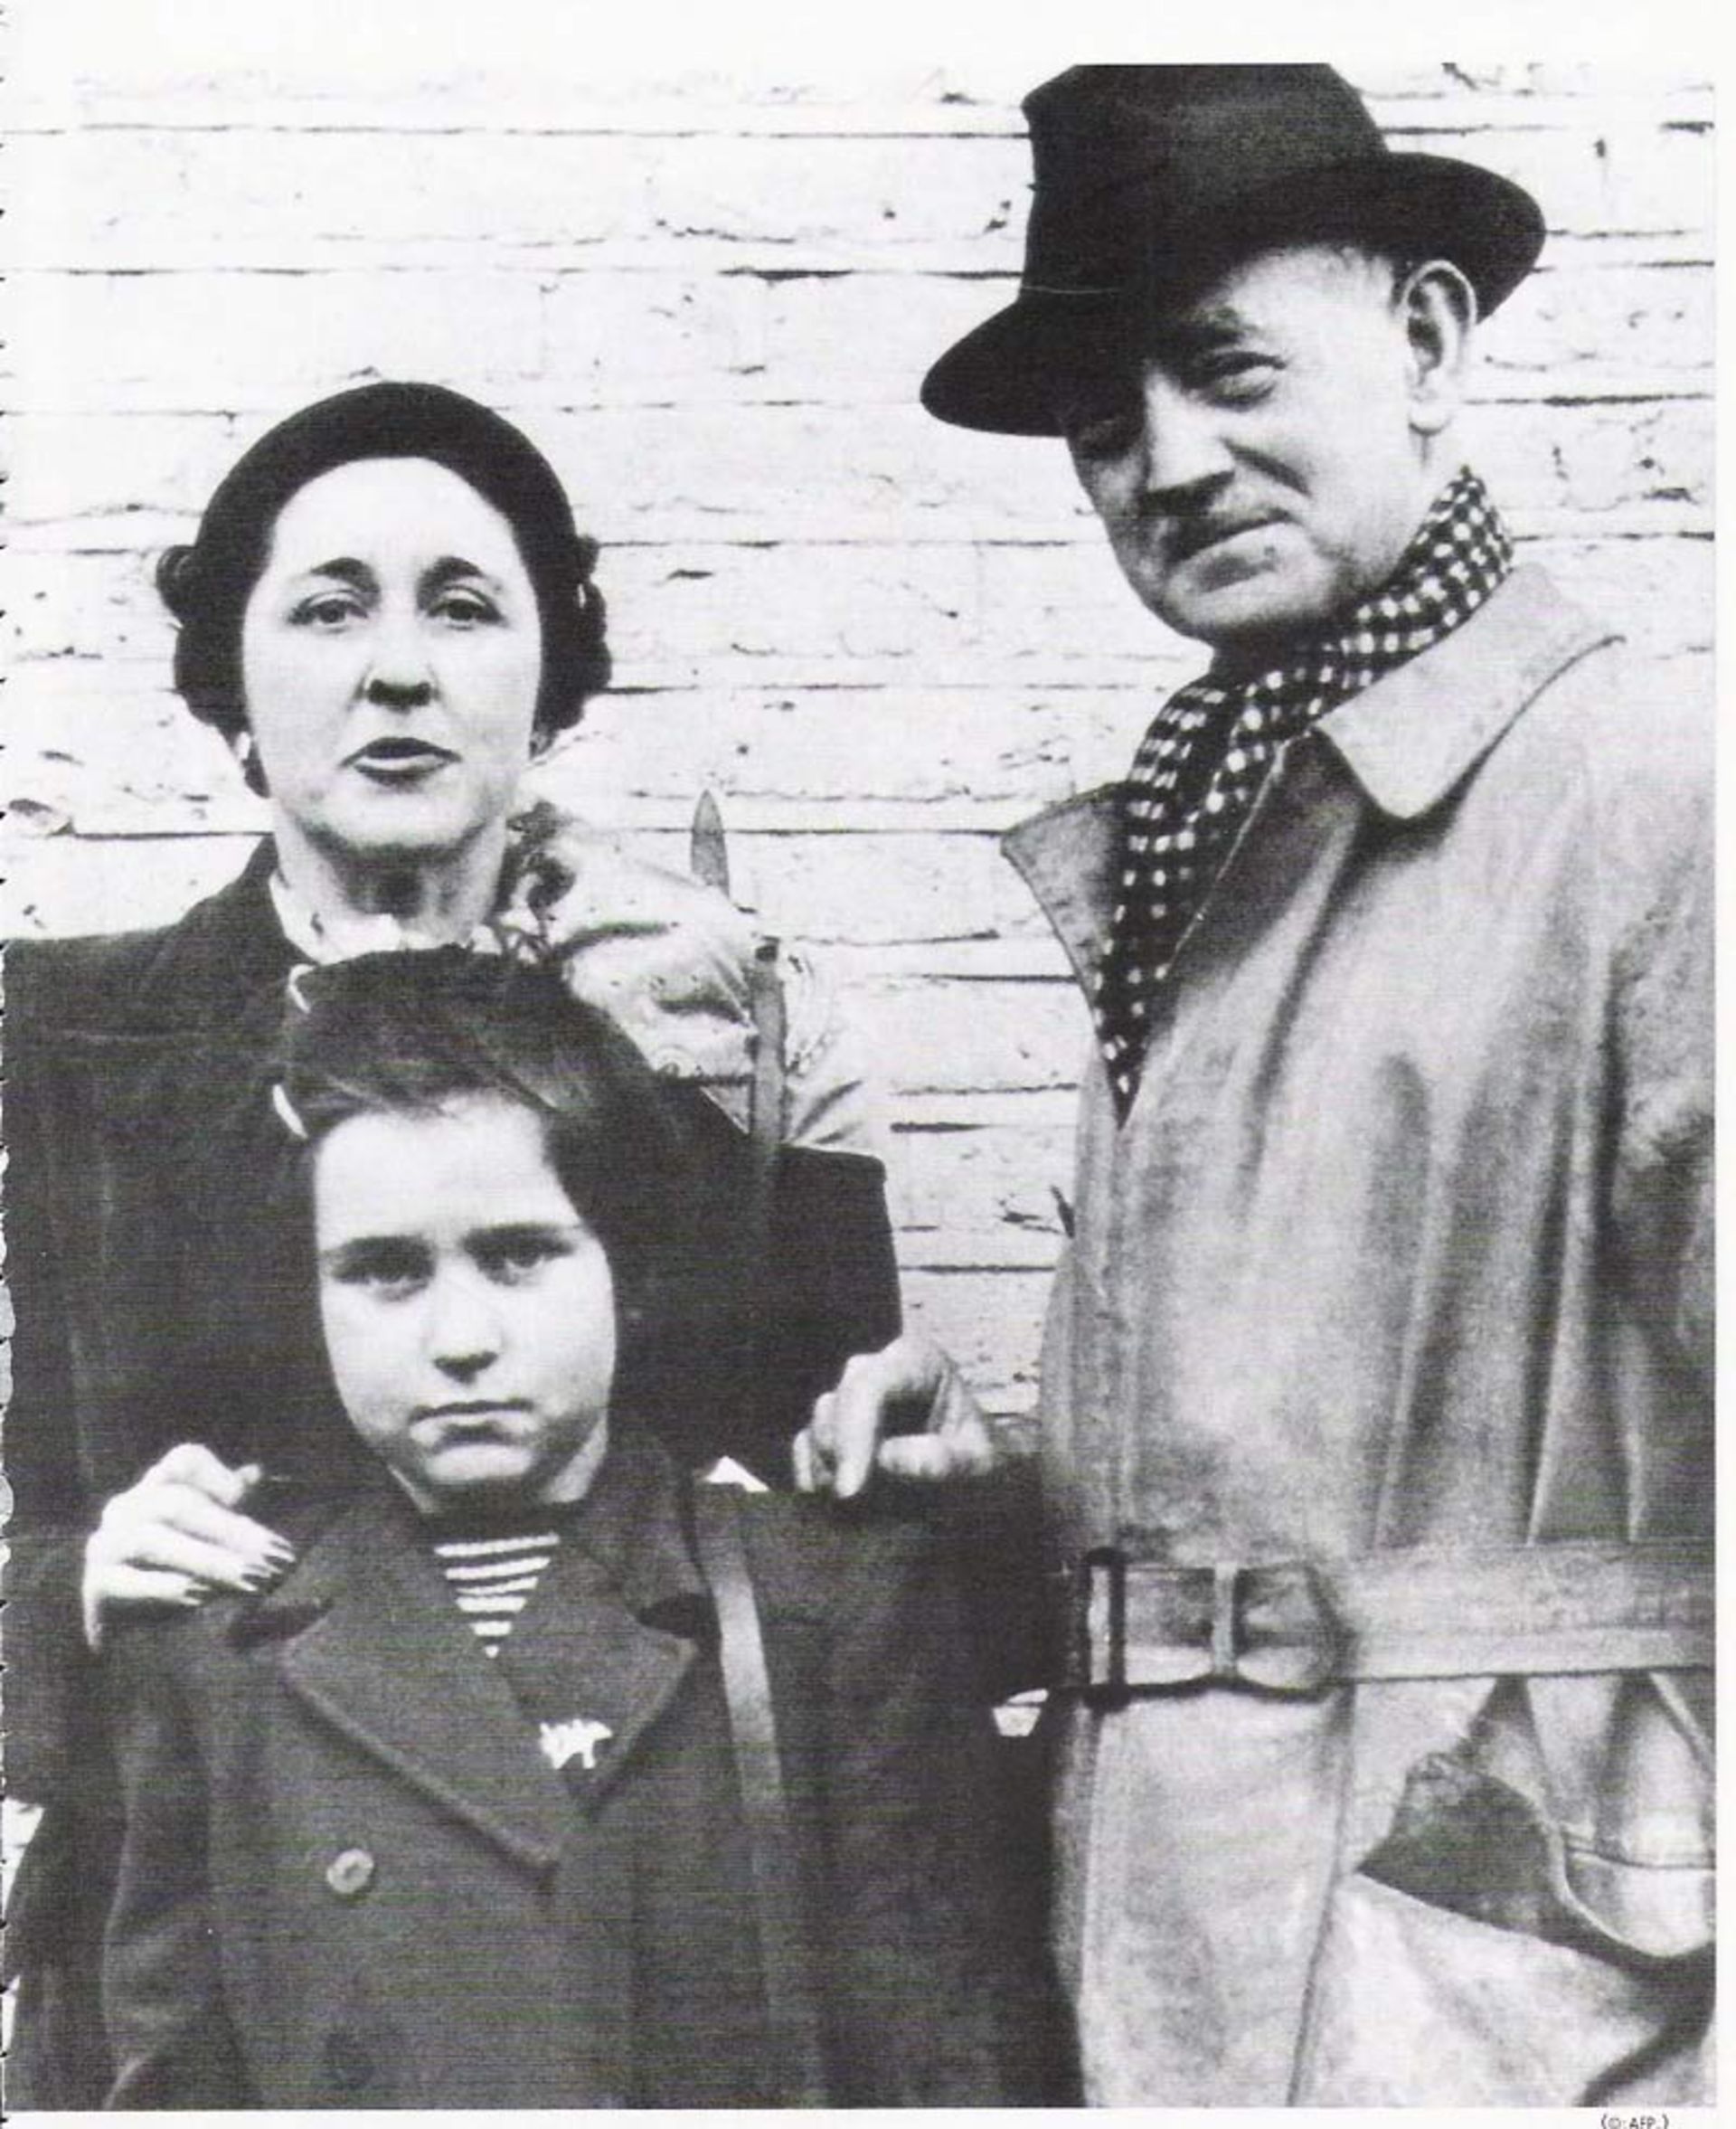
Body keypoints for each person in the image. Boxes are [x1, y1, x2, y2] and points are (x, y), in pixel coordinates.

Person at [797, 65, 1712, 2106]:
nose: (1171, 463)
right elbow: (1300, 1480)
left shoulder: (1662, 808)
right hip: (1156, 1970)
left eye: (1226, 371)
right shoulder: (1210, 819)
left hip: (1528, 2030)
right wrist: (1021, 1497)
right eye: (1107, 423)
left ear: (1428, 343)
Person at [4, 381, 901, 2105]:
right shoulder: (79, 1040)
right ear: (232, 688)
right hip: (219, 1950)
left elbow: (838, 1533)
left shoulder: (736, 1032)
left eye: (466, 607)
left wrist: (917, 1451)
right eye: (330, 609)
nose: (399, 670)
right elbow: (32, 1541)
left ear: (550, 685)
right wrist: (90, 1579)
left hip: (629, 1925)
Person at [95, 948, 1053, 2109]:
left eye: (519, 1255)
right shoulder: (220, 1643)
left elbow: (940, 2058)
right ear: (312, 1298)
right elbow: (174, 2078)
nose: (461, 1338)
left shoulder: (817, 1600)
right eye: (385, 1271)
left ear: (625, 1269)